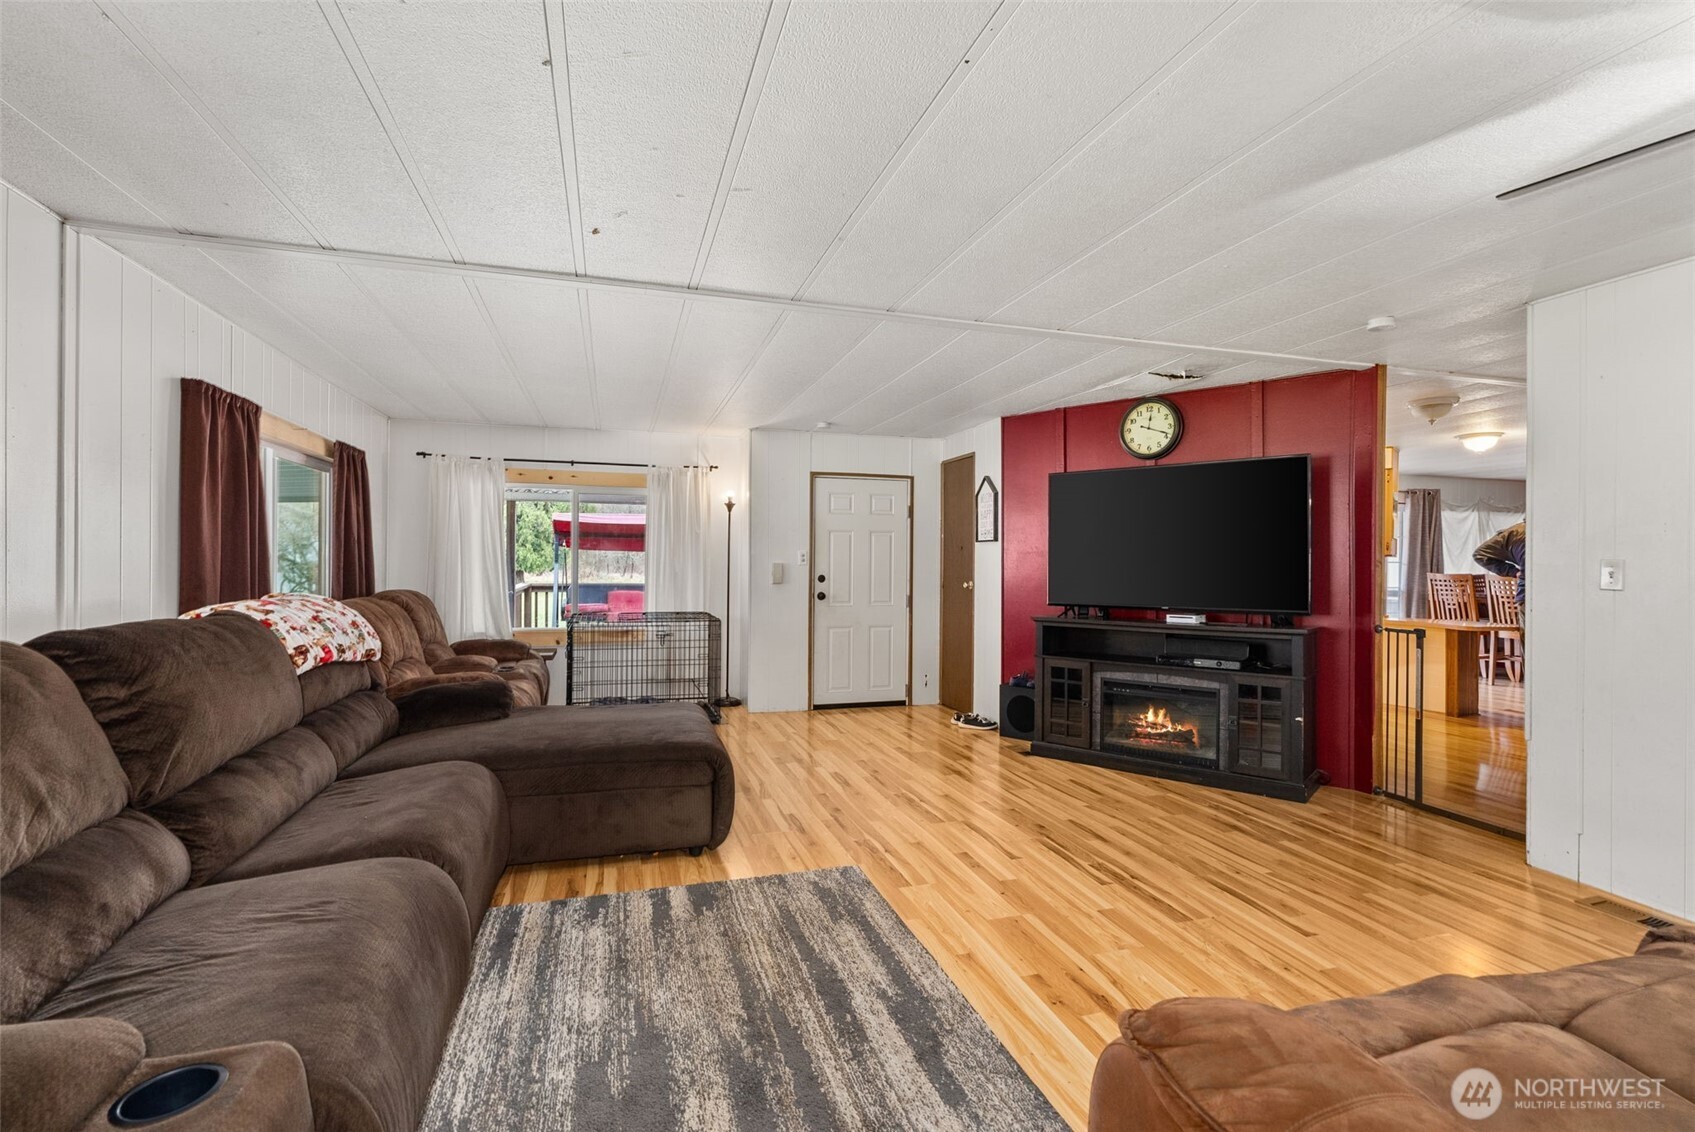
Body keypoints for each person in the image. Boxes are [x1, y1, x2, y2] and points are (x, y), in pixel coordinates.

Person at [1473, 521, 1526, 606]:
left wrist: (1514, 572)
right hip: (1538, 592)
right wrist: (1513, 571)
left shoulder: (1515, 531)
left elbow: (1479, 554)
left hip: (1525, 594)